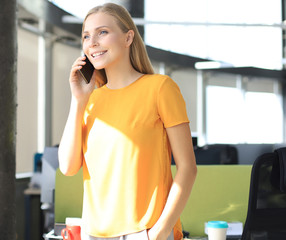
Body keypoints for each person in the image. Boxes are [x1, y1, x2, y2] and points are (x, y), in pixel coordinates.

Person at [58, 3, 197, 240]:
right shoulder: (91, 100)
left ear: (128, 37)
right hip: (94, 233)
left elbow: (188, 169)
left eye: (102, 32)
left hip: (144, 232)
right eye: (86, 35)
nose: (92, 42)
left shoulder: (160, 88)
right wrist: (78, 101)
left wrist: (160, 232)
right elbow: (68, 167)